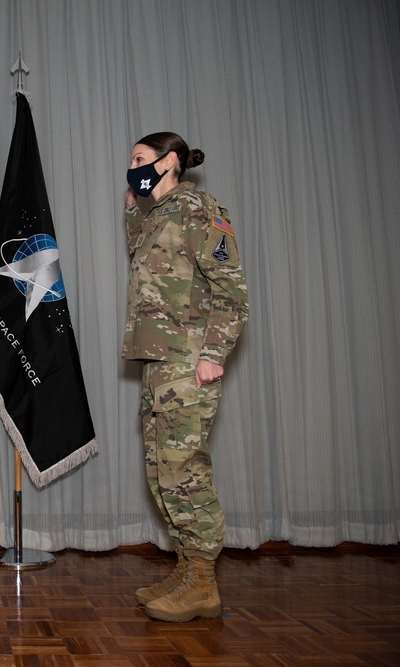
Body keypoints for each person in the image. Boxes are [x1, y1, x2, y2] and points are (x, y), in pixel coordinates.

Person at [121, 132, 249, 622]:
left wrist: (214, 353)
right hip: (160, 363)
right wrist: (134, 207)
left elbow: (231, 289)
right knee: (161, 471)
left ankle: (202, 579)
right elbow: (145, 262)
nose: (131, 168)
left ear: (170, 161)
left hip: (188, 361)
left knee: (184, 469)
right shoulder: (157, 217)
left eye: (140, 160)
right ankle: (186, 568)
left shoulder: (198, 207)